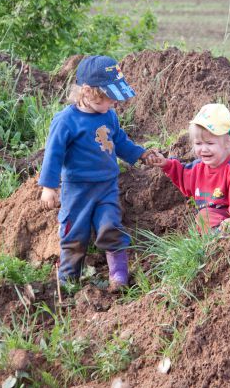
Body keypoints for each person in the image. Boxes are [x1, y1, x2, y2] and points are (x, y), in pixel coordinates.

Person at [39, 55, 157, 291]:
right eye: (109, 98)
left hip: (106, 187)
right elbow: (53, 154)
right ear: (87, 91)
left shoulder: (109, 116)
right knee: (74, 234)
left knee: (110, 227)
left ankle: (119, 278)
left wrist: (141, 154)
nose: (114, 103)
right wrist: (49, 187)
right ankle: (68, 281)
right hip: (77, 190)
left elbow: (120, 142)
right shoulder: (66, 121)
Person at [151, 103, 230, 231]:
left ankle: (222, 238)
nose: (203, 149)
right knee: (204, 217)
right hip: (213, 218)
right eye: (198, 143)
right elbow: (182, 174)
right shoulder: (198, 168)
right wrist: (166, 164)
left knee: (204, 216)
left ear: (227, 143)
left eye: (209, 143)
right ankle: (214, 237)